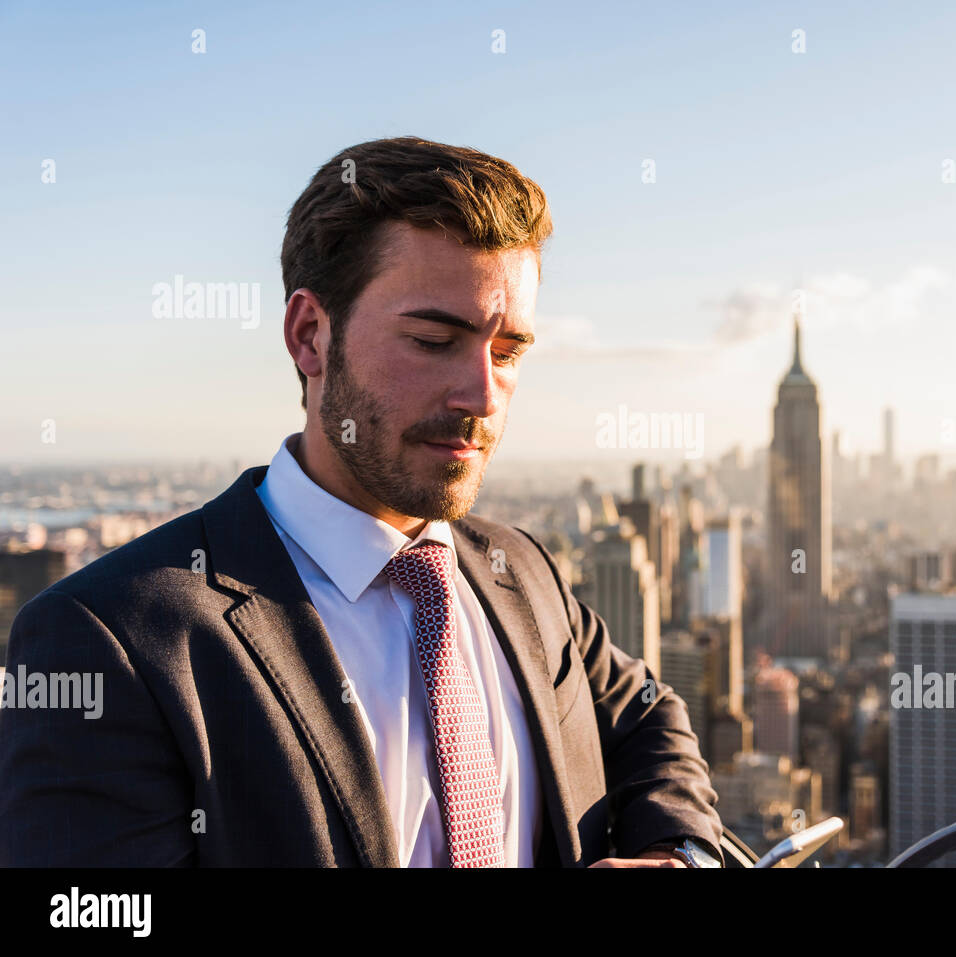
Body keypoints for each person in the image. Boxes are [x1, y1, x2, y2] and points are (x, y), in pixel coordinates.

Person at [0, 136, 724, 868]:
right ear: (310, 336)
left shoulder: (522, 571)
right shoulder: (111, 637)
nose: (481, 395)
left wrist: (682, 851)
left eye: (507, 353)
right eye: (434, 338)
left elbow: (647, 716)